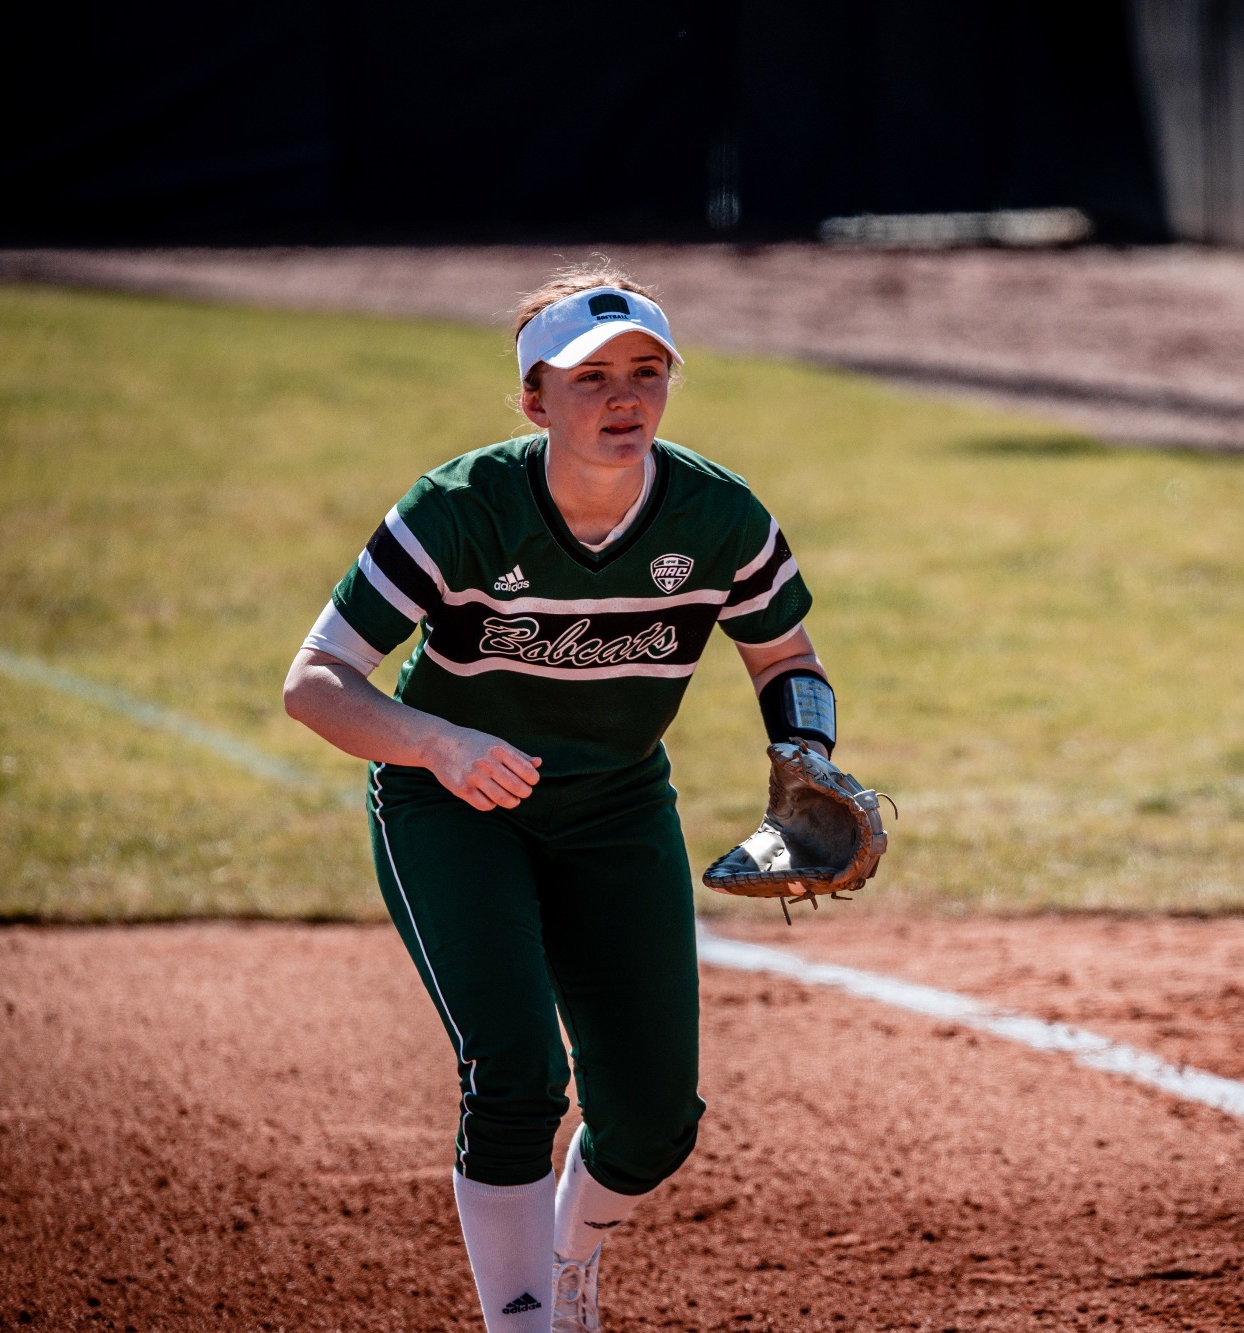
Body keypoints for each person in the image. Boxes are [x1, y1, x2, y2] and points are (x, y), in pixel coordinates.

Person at [282, 264, 839, 1332]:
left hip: (616, 808)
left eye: (645, 371)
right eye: (589, 378)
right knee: (518, 1076)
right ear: (535, 398)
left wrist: (803, 758)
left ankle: (570, 1260)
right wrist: (434, 742)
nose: (622, 397)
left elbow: (784, 653)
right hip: (450, 806)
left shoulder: (718, 518)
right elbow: (315, 680)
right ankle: (524, 1320)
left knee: (653, 1124)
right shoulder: (459, 511)